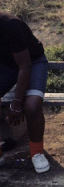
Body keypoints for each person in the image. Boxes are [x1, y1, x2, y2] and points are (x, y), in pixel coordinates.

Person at [0, 12, 50, 172]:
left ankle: (36, 152)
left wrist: (16, 103)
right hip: (6, 65)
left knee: (32, 105)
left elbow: (25, 66)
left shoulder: (10, 24)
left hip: (32, 62)